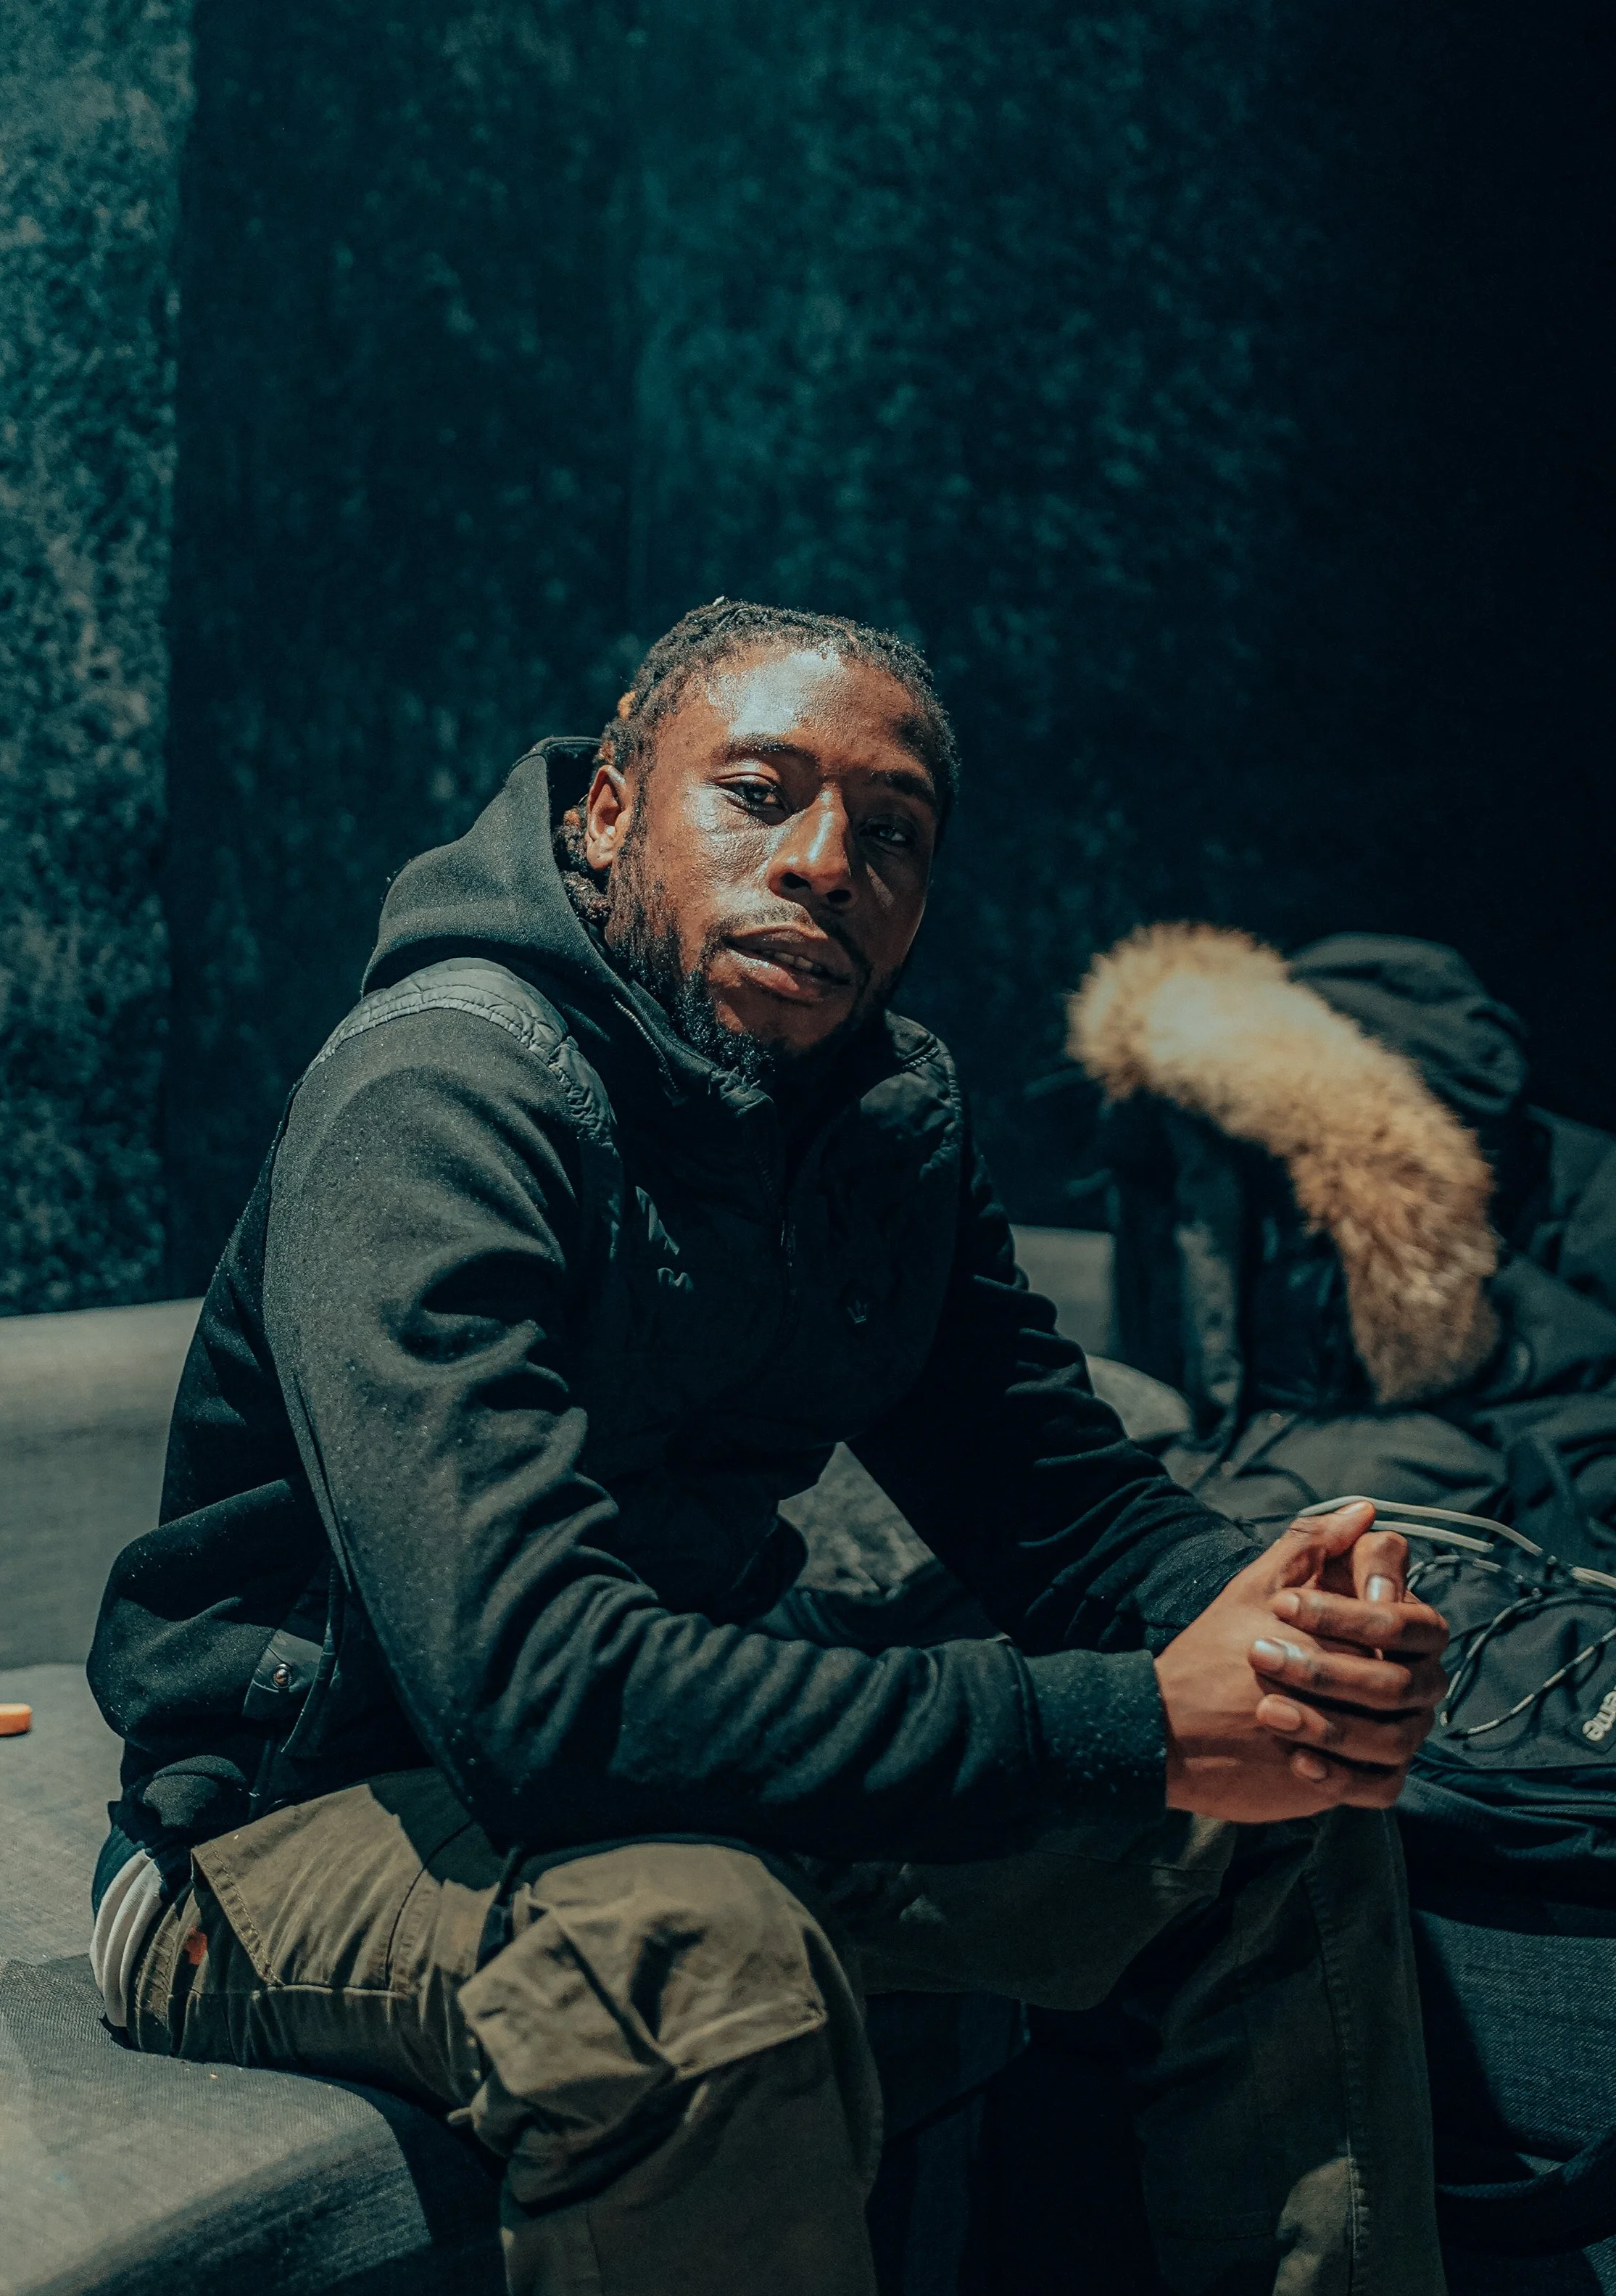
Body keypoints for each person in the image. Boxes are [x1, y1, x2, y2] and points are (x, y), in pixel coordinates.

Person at [88, 602, 1450, 2296]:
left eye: (891, 834)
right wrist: (1138, 1718)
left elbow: (1061, 1512)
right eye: (757, 791)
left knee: (1279, 1807)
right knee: (692, 1947)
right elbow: (537, 1696)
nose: (824, 862)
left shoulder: (878, 1122)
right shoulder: (436, 1098)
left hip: (666, 1753)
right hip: (282, 1830)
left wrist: (1281, 1620)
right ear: (603, 809)